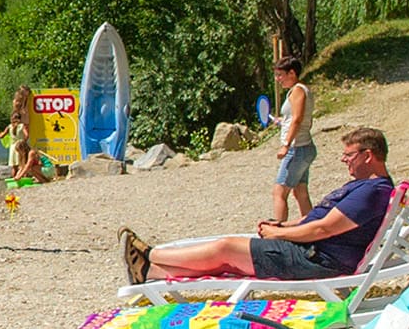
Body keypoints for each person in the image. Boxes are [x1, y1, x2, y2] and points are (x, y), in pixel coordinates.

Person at [122, 126, 394, 286]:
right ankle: (148, 271)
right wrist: (284, 225)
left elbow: (323, 229)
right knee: (227, 257)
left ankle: (150, 254)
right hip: (311, 252)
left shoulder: (371, 192)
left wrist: (279, 234)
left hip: (317, 260)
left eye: (348, 155)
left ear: (367, 156)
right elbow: (318, 222)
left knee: (225, 248)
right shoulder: (368, 187)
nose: (343, 160)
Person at [269, 55, 315, 225]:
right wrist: (282, 122)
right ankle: (311, 228)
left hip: (297, 148)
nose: (277, 79)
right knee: (300, 191)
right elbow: (295, 119)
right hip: (304, 147)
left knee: (279, 192)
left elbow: (297, 119)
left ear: (292, 73)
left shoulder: (298, 90)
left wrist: (285, 145)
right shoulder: (300, 90)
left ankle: (277, 232)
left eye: (280, 75)